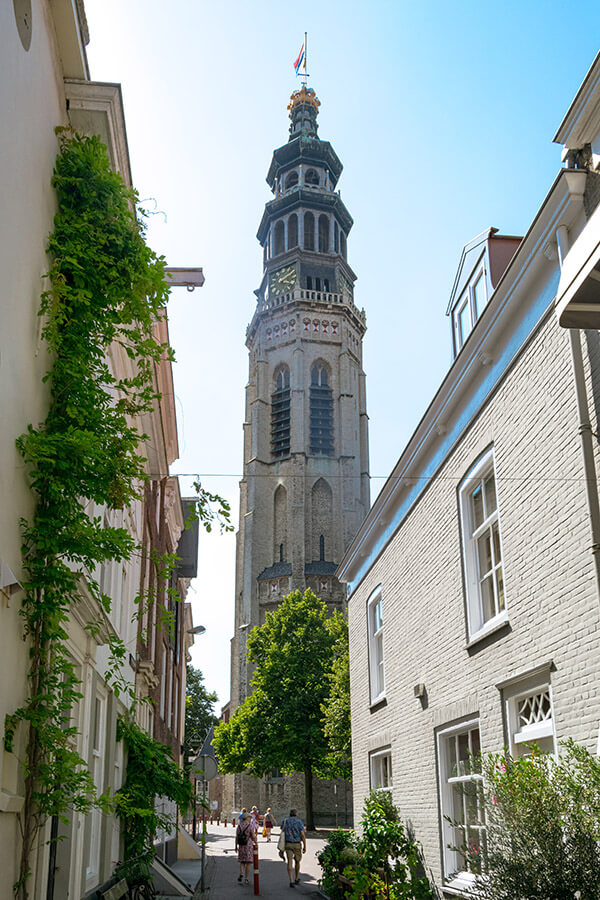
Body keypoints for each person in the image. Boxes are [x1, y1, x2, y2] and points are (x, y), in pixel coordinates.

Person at [280, 808, 306, 888]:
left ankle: (291, 880)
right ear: (296, 814)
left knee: (289, 861)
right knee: (297, 861)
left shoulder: (285, 821)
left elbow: (282, 831)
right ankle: (296, 878)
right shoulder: (299, 822)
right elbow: (302, 834)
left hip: (288, 844)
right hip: (297, 844)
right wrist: (305, 845)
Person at [235, 812, 256, 885]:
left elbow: (237, 836)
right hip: (248, 845)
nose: (250, 818)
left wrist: (235, 846)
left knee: (242, 861)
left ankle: (241, 873)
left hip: (241, 845)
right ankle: (246, 878)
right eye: (249, 817)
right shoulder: (250, 826)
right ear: (246, 818)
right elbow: (253, 836)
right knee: (249, 862)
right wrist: (256, 842)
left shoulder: (239, 826)